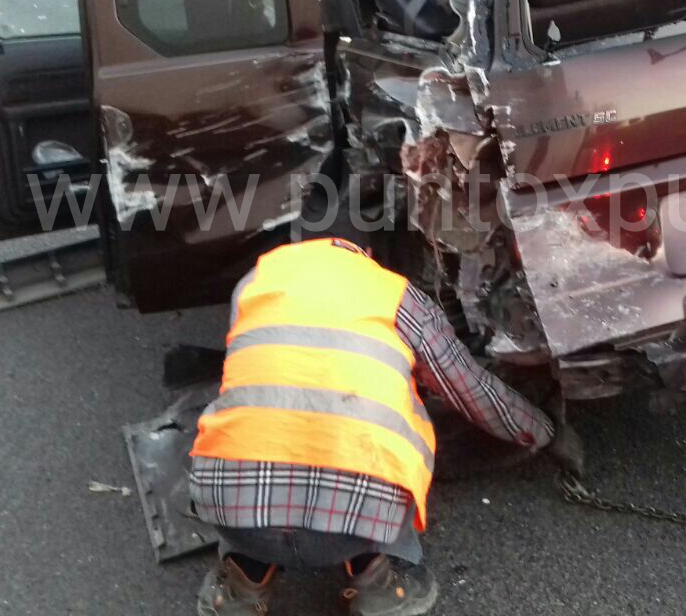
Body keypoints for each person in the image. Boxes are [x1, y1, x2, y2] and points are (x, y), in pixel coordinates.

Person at [189, 232, 582, 615]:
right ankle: (377, 585)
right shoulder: (393, 292)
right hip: (352, 526)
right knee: (389, 424)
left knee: (253, 419)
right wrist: (544, 432)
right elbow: (471, 389)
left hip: (234, 508)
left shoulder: (256, 280)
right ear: (367, 253)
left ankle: (242, 585)